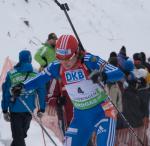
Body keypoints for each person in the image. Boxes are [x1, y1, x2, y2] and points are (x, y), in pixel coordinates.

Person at [11, 35, 124, 146]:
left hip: (102, 113)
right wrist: (22, 86)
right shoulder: (57, 66)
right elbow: (40, 78)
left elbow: (118, 73)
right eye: (60, 59)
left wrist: (102, 76)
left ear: (77, 52)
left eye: (68, 59)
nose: (65, 63)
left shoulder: (89, 60)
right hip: (81, 116)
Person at [1, 50, 46, 146]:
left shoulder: (12, 73)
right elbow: (41, 92)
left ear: (20, 59)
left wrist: (5, 110)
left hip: (15, 110)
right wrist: (41, 108)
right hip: (29, 110)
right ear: (30, 59)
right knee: (20, 137)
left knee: (19, 138)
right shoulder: (36, 74)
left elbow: (6, 93)